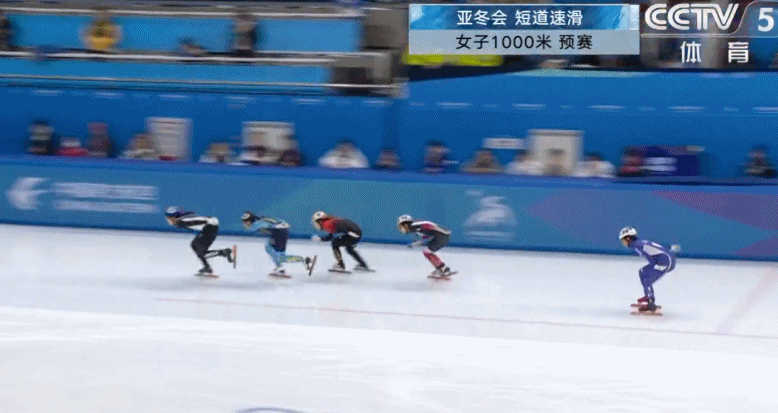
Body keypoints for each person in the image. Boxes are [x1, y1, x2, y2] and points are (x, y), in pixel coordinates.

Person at [619, 227, 677, 314]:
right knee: (642, 272)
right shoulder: (639, 242)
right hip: (666, 260)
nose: (623, 243)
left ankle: (651, 302)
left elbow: (650, 256)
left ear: (628, 238)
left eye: (623, 240)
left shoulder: (636, 245)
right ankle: (648, 296)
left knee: (647, 278)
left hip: (665, 262)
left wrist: (654, 266)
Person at [241, 211, 315, 277]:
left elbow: (267, 227)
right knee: (273, 250)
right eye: (244, 221)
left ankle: (298, 262)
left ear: (251, 220)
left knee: (277, 254)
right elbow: (275, 223)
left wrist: (277, 228)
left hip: (278, 232)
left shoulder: (256, 225)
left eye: (246, 221)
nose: (245, 223)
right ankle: (283, 266)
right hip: (281, 231)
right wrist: (282, 226)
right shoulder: (261, 219)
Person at [165, 207, 234, 276]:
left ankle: (224, 252)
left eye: (169, 218)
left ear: (174, 217)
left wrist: (209, 221)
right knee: (194, 245)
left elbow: (198, 220)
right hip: (208, 228)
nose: (168, 220)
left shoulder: (182, 220)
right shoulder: (181, 220)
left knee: (202, 253)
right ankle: (207, 267)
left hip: (209, 227)